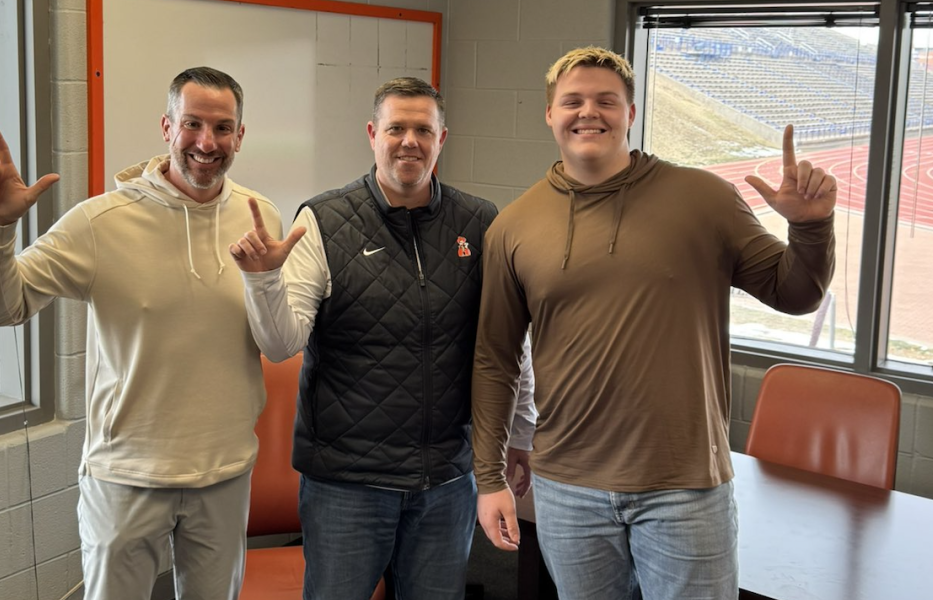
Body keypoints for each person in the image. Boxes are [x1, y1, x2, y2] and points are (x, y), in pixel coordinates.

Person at [471, 46, 838, 600]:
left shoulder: (704, 199)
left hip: (684, 484)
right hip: (567, 486)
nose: (588, 112)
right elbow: (494, 359)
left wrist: (812, 229)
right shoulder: (513, 226)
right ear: (550, 113)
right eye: (572, 101)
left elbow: (797, 293)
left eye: (606, 101)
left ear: (630, 114)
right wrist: (490, 477)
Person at [0, 66, 282, 600]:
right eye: (193, 124)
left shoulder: (260, 217)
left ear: (240, 135)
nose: (207, 143)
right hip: (126, 475)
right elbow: (2, 308)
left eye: (223, 127)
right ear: (167, 127)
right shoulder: (100, 223)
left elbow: (274, 333)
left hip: (224, 472)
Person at [228, 76, 536, 600]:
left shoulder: (481, 223)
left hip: (446, 479)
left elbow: (510, 346)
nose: (409, 141)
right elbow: (281, 345)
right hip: (347, 484)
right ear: (373, 134)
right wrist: (262, 280)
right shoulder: (323, 221)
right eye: (396, 128)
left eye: (423, 129)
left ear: (443, 138)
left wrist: (521, 433)